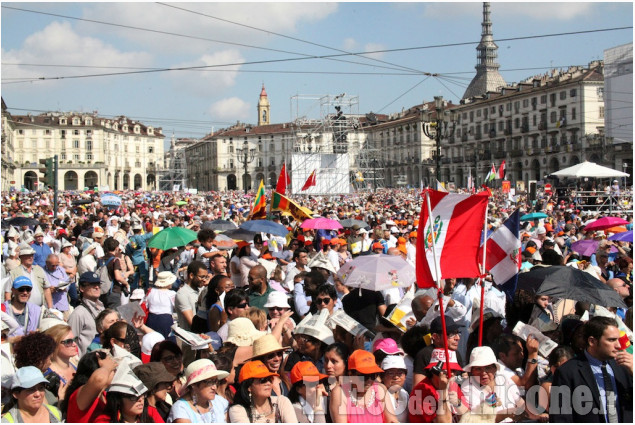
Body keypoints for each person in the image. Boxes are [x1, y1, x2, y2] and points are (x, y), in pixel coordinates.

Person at [550, 316, 633, 423]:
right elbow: (560, 417)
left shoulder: (624, 366)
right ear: (592, 341)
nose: (618, 345)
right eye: (611, 340)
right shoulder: (567, 372)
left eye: (618, 339)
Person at [329, 349, 397, 423]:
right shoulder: (340, 393)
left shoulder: (380, 389)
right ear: (351, 374)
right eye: (364, 376)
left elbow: (392, 421)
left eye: (373, 375)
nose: (370, 380)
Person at [461, 346, 526, 422]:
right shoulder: (467, 387)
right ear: (472, 371)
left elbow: (520, 403)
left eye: (488, 368)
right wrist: (505, 413)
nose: (483, 373)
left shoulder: (503, 379)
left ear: (495, 369)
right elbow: (480, 420)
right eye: (478, 369)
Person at [228, 360, 298, 423]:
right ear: (249, 387)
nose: (268, 383)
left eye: (270, 379)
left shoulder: (282, 402)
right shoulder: (238, 410)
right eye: (263, 380)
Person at [408, 348, 466, 423]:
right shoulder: (421, 391)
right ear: (434, 371)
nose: (451, 374)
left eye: (453, 371)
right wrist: (443, 392)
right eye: (446, 371)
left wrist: (458, 403)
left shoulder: (452, 385)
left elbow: (468, 418)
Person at [60, 350, 118, 423]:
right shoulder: (80, 394)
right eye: (113, 370)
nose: (115, 372)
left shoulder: (105, 395)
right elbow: (99, 379)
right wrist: (107, 367)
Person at [168, 358, 229, 423]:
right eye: (209, 382)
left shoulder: (220, 402)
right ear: (194, 384)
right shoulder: (181, 409)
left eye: (215, 381)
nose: (214, 387)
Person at [94, 365, 163, 423]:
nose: (140, 400)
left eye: (142, 395)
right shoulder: (104, 421)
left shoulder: (151, 414)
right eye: (133, 396)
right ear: (118, 399)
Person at [68, 272, 106, 356]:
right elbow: (70, 341)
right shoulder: (78, 313)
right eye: (92, 285)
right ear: (82, 288)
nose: (97, 287)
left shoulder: (102, 308)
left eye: (98, 284)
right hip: (87, 362)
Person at [42, 324, 79, 401]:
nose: (74, 344)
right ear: (54, 345)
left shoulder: (77, 365)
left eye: (74, 339)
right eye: (68, 342)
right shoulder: (48, 376)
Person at [145, 271, 177, 340]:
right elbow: (177, 307)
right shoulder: (172, 294)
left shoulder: (151, 291)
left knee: (152, 340)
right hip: (165, 320)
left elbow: (145, 304)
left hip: (151, 319)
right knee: (168, 343)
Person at [380, 355, 409, 422]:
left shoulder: (404, 393)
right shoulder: (378, 394)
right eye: (391, 373)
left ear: (405, 376)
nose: (396, 377)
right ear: (382, 376)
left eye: (400, 373)